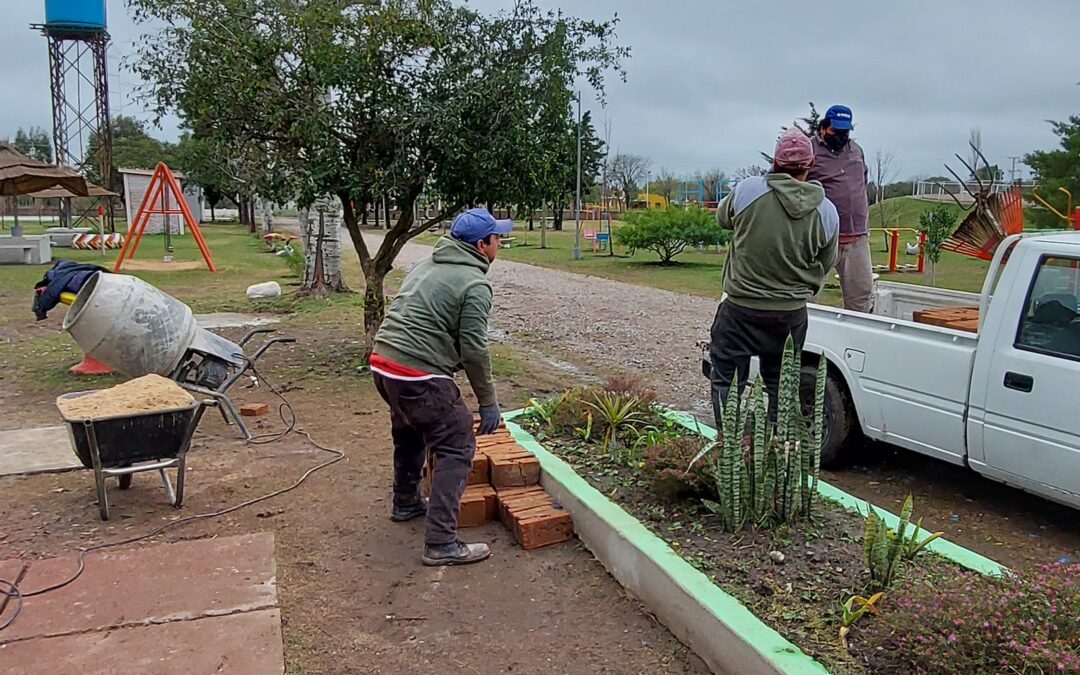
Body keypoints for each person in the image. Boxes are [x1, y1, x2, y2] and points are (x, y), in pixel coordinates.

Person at [369, 208, 511, 567]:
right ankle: (441, 543)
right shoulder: (475, 284)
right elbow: (474, 348)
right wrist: (488, 402)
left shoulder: (426, 265)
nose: (501, 243)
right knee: (457, 442)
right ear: (482, 245)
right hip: (417, 374)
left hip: (383, 365)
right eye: (497, 239)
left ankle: (406, 503)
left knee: (410, 433)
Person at [708, 128, 839, 422]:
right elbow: (828, 259)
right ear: (809, 165)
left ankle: (727, 445)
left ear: (775, 162)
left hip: (740, 310)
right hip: (790, 315)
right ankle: (777, 450)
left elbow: (722, 219)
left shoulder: (747, 190)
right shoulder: (827, 211)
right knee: (781, 387)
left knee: (727, 381)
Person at [808, 104, 872, 312]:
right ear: (824, 128)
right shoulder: (810, 150)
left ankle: (857, 342)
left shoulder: (856, 151)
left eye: (845, 132)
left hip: (857, 239)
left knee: (861, 297)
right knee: (805, 295)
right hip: (821, 239)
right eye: (836, 131)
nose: (841, 136)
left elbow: (862, 180)